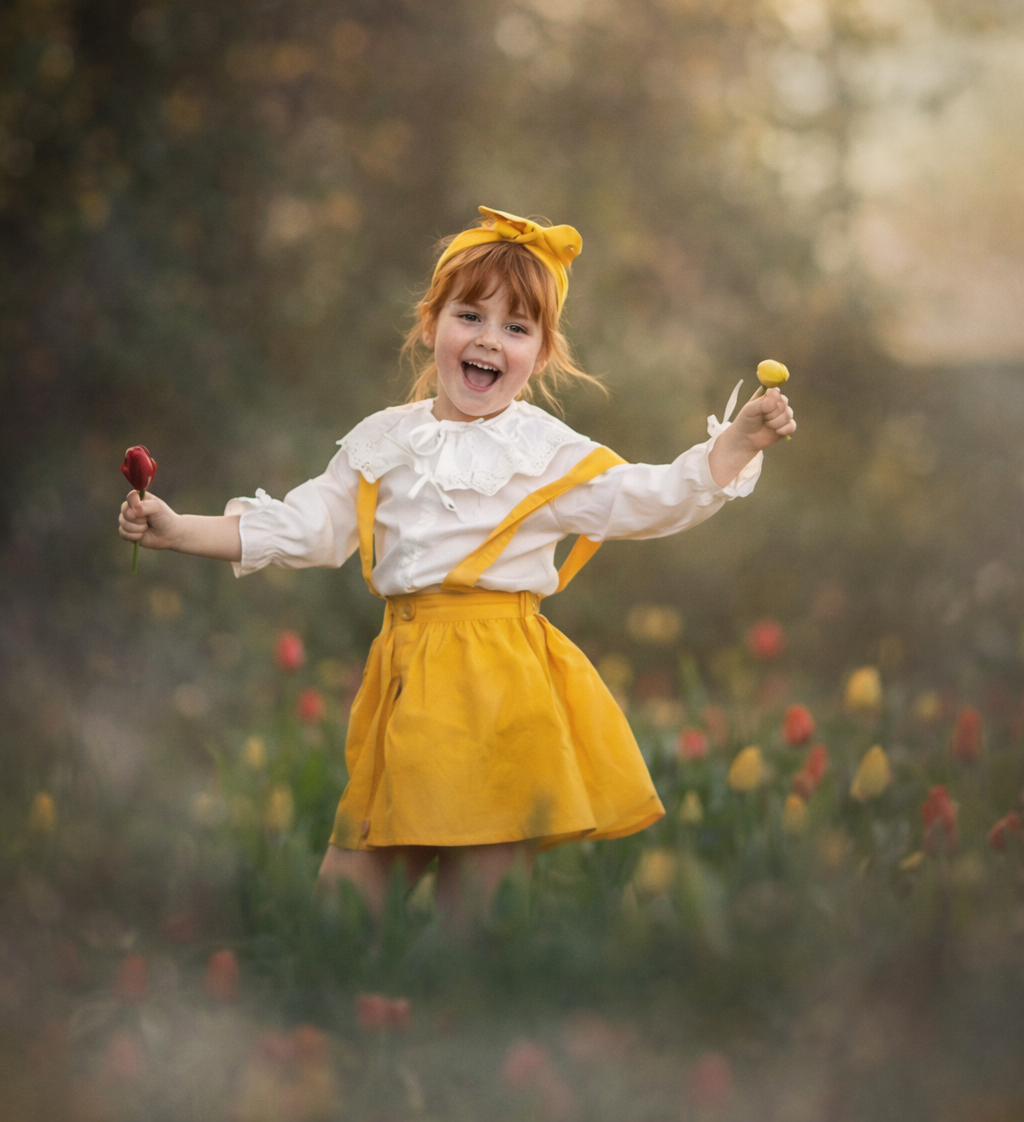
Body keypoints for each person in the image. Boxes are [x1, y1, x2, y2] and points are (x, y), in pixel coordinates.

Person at [118, 208, 795, 923]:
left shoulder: (544, 450)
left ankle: (459, 1022)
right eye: (470, 315)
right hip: (410, 687)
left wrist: (738, 446)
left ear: (541, 351)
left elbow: (648, 498)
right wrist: (178, 528)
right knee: (343, 911)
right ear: (431, 322)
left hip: (504, 689)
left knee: (474, 917)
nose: (489, 340)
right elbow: (308, 526)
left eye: (517, 327)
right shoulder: (383, 441)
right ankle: (342, 1022)